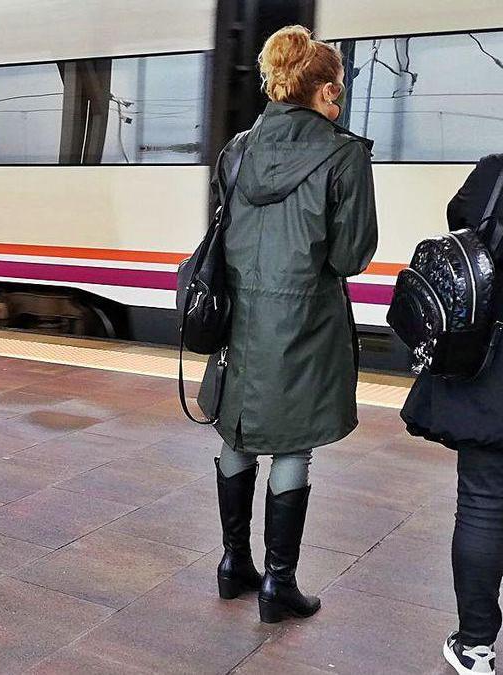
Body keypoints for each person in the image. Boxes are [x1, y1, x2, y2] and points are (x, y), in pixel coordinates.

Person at [199, 25, 378, 624]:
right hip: (302, 318)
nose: (342, 99)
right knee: (292, 443)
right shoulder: (344, 152)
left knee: (237, 431)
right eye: (340, 88)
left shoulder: (238, 149)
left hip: (238, 318)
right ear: (323, 89)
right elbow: (350, 256)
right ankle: (279, 583)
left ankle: (232, 565)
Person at [402, 153, 503, 675]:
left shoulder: (495, 171)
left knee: (484, 504)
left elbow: (459, 222)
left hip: (494, 376)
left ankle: (476, 647)